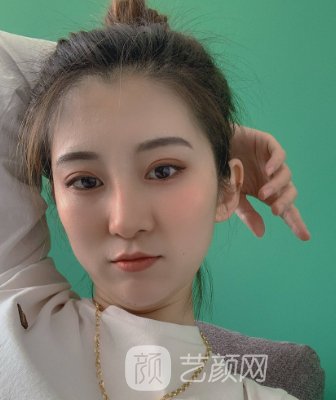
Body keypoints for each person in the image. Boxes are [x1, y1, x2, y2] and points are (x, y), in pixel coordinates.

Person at [0, 1, 310, 399]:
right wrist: (82, 77)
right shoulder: (20, 313)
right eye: (86, 181)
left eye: (163, 170)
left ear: (226, 189)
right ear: (55, 198)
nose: (126, 221)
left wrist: (208, 128)